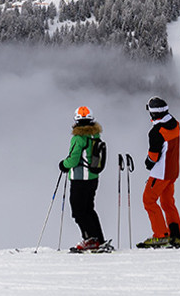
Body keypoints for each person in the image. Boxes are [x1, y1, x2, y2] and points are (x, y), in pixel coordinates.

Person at [137, 96, 180, 248]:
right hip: (173, 171)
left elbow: (153, 156)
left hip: (160, 173)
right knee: (167, 202)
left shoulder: (156, 132)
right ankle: (177, 235)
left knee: (149, 200)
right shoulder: (176, 124)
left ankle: (161, 235)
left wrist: (148, 163)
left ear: (152, 114)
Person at [58, 105, 107, 252]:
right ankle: (99, 238)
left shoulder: (78, 138)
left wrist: (63, 165)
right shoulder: (95, 135)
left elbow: (73, 159)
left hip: (80, 179)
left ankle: (89, 239)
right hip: (93, 177)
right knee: (89, 209)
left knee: (78, 211)